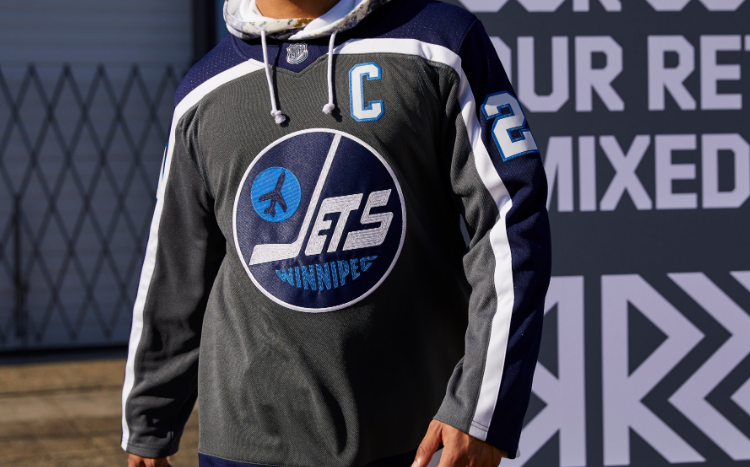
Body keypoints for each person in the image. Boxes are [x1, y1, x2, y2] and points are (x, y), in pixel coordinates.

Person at [121, 0, 551, 466]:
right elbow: (175, 270)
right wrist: (148, 421)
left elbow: (510, 222)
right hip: (245, 444)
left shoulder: (439, 43)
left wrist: (481, 407)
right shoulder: (204, 91)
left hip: (414, 442)